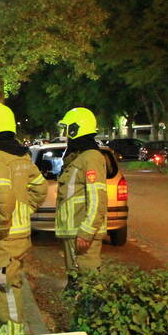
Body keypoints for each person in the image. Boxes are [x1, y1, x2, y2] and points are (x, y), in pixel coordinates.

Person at [0, 102, 47, 335]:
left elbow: (3, 195)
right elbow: (40, 187)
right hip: (21, 234)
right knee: (12, 283)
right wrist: (25, 210)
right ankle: (10, 334)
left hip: (5, 237)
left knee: (3, 287)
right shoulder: (22, 156)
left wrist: (1, 226)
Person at [55, 107, 108, 287]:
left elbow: (97, 199)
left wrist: (86, 231)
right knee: (76, 283)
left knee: (89, 285)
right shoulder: (77, 157)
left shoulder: (91, 157)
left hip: (82, 234)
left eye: (67, 129)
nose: (65, 134)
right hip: (73, 232)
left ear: (75, 130)